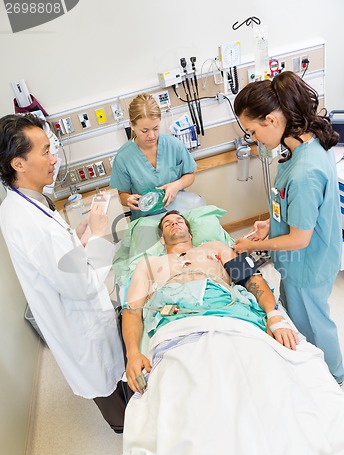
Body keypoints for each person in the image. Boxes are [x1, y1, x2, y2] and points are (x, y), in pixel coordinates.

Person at [0, 113, 126, 432]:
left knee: (111, 372)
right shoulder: (29, 223)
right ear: (18, 164)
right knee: (107, 385)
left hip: (76, 311)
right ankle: (126, 430)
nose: (54, 159)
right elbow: (80, 285)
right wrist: (97, 233)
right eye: (45, 151)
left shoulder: (20, 203)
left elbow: (56, 262)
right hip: (81, 323)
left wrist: (78, 236)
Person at [233, 71, 344, 385]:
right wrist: (271, 223)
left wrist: (249, 246)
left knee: (315, 326)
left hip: (307, 264)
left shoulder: (304, 171)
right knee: (298, 317)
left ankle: (333, 378)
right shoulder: (305, 148)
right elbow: (302, 210)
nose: (254, 140)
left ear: (271, 120)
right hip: (309, 259)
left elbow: (299, 237)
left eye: (253, 131)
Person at [122, 210, 299, 393]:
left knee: (261, 373)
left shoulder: (215, 247)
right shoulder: (148, 264)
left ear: (190, 233)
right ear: (161, 240)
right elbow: (132, 311)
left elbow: (251, 278)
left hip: (227, 314)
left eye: (179, 221)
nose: (174, 223)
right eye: (168, 224)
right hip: (176, 325)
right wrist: (133, 354)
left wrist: (273, 314)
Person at [110, 93, 196, 219]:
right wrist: (128, 199)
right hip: (146, 219)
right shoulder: (123, 158)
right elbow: (122, 194)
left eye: (155, 128)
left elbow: (190, 175)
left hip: (178, 213)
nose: (151, 136)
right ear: (132, 126)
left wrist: (177, 185)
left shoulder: (173, 145)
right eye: (144, 131)